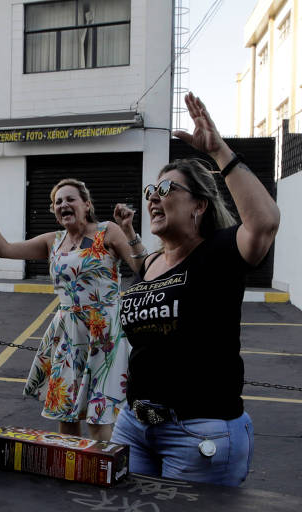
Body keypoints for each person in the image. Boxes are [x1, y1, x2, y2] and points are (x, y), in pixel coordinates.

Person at [110, 92, 280, 486]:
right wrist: (132, 234)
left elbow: (265, 223)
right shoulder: (152, 263)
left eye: (166, 191)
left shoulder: (218, 253)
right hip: (135, 426)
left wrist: (219, 150)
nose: (154, 198)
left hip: (199, 433)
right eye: (151, 192)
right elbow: (139, 271)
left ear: (198, 206)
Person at [0, 178, 147, 441]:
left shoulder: (107, 231)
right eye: (58, 201)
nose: (63, 204)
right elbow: (4, 249)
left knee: (99, 414)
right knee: (66, 412)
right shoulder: (53, 241)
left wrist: (129, 231)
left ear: (86, 205)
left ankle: (100, 471)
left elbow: (143, 268)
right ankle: (72, 474)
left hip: (104, 335)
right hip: (67, 334)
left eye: (70, 199)